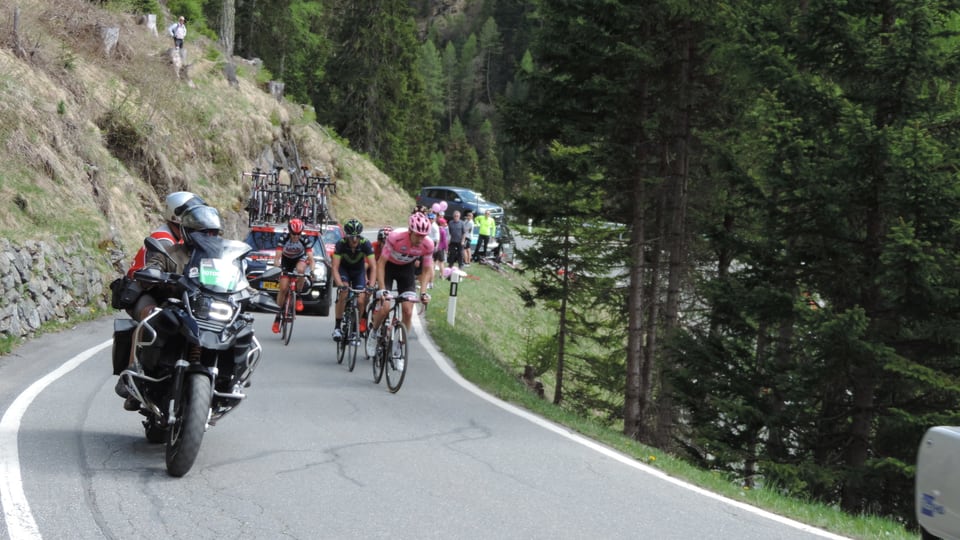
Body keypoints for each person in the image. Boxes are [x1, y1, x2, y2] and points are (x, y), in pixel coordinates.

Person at [116, 203, 222, 410]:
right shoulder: (170, 252)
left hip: (204, 310)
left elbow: (236, 276)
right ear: (188, 232)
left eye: (211, 233)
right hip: (170, 304)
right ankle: (133, 374)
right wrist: (154, 274)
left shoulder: (221, 258)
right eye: (201, 233)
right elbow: (153, 266)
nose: (206, 237)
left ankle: (230, 379)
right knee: (150, 318)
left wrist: (246, 289)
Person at [125, 191, 205, 320]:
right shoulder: (164, 240)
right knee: (155, 320)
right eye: (190, 213)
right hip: (143, 289)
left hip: (161, 288)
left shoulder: (181, 235)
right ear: (177, 215)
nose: (195, 218)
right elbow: (163, 267)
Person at [371, 213, 434, 336]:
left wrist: (423, 292)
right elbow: (381, 263)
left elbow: (426, 270)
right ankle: (374, 332)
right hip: (388, 267)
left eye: (423, 236)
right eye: (418, 235)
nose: (421, 239)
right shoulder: (396, 237)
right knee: (385, 307)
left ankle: (400, 346)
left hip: (406, 270)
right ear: (410, 231)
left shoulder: (428, 244)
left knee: (408, 311)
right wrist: (382, 289)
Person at [331, 219, 376, 340]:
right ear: (347, 236)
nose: (354, 240)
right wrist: (340, 284)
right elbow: (335, 268)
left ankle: (356, 328)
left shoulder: (365, 243)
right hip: (343, 270)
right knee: (344, 293)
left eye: (357, 237)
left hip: (358, 272)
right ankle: (337, 327)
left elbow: (373, 266)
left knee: (361, 300)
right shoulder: (340, 244)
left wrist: (371, 285)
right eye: (351, 237)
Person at [272, 218, 315, 334]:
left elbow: (311, 258)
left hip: (299, 259)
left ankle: (299, 295)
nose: (296, 236)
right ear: (289, 231)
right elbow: (277, 258)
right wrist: (277, 269)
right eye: (294, 234)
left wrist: (312, 271)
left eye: (298, 234)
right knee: (283, 288)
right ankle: (277, 317)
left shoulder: (305, 239)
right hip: (286, 260)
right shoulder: (283, 238)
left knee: (301, 270)